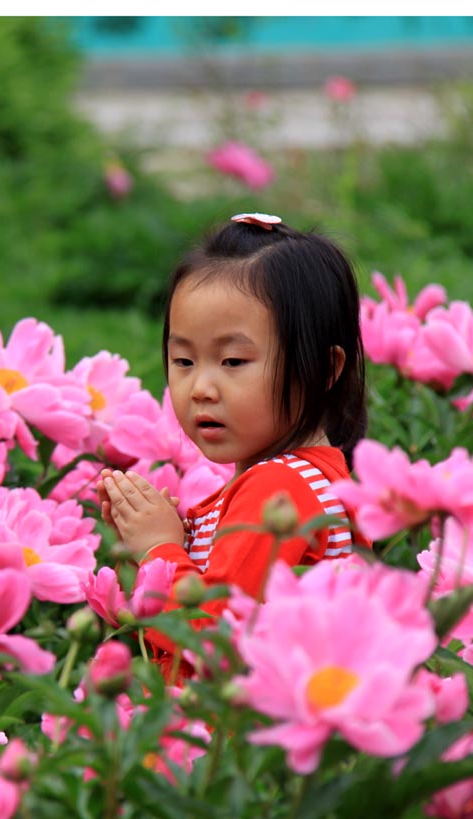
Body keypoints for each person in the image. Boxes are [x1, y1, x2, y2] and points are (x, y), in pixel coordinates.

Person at [98, 212, 371, 680]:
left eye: (233, 360)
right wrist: (157, 545)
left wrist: (159, 549)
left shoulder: (277, 488)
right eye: (183, 359)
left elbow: (215, 639)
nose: (201, 387)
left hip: (226, 744)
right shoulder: (319, 478)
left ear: (325, 370)